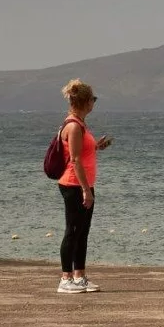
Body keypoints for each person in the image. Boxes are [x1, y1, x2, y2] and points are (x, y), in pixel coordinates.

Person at [54, 79, 112, 294]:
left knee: (82, 232)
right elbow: (75, 160)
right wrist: (85, 190)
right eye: (93, 100)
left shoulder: (80, 124)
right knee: (73, 231)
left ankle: (79, 276)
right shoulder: (73, 126)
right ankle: (65, 277)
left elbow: (82, 153)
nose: (94, 104)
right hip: (74, 185)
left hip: (84, 184)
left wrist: (97, 146)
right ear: (86, 101)